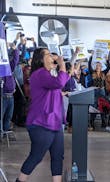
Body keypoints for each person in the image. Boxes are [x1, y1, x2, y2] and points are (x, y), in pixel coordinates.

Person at [16, 48, 69, 182]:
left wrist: (66, 66)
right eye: (49, 54)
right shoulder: (39, 74)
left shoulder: (49, 74)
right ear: (40, 59)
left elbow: (60, 83)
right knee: (36, 156)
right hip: (41, 122)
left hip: (54, 122)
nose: (53, 56)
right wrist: (62, 65)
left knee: (58, 156)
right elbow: (59, 83)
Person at [0, 43, 19, 132]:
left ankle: (4, 134)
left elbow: (15, 60)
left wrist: (15, 49)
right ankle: (1, 134)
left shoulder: (9, 67)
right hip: (3, 96)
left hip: (10, 96)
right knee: (2, 117)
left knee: (8, 117)